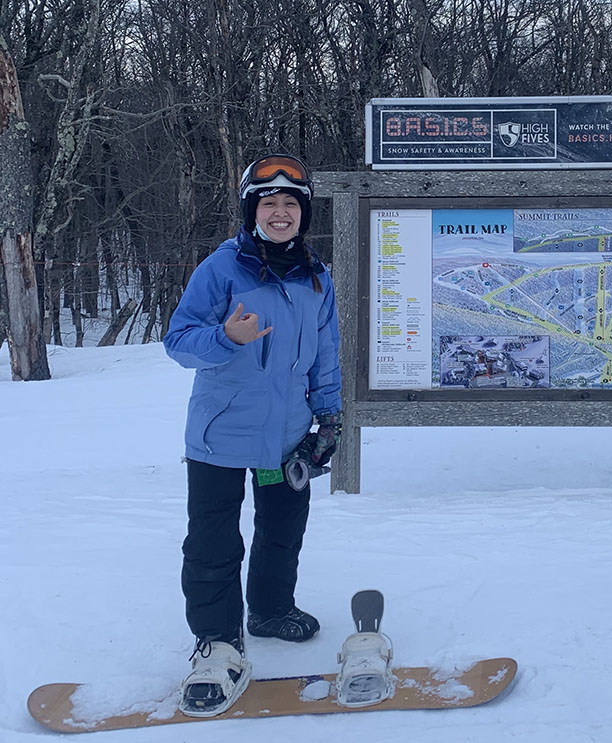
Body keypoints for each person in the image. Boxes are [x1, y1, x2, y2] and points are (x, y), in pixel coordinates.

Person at [163, 154, 343, 717]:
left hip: (288, 438)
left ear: (303, 213)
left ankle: (267, 609)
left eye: (291, 203)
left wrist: (329, 416)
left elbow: (326, 354)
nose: (281, 212)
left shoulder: (317, 276)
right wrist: (225, 337)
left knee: (282, 530)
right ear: (253, 211)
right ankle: (218, 641)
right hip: (220, 439)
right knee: (213, 542)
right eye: (270, 204)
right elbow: (178, 339)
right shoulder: (222, 269)